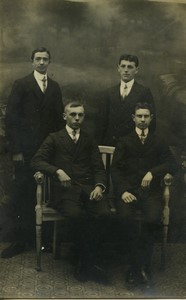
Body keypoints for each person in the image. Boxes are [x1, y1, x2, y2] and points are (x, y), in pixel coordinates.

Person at [31, 100, 110, 284]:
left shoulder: (89, 139)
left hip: (89, 189)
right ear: (64, 116)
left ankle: (85, 262)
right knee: (77, 216)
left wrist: (99, 186)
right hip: (65, 192)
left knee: (103, 213)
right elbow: (36, 161)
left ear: (83, 117)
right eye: (72, 114)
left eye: (80, 115)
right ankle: (87, 264)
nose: (76, 118)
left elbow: (99, 168)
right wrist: (57, 171)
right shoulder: (54, 138)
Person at [2, 47, 65, 258]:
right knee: (23, 194)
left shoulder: (54, 87)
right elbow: (11, 119)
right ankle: (20, 241)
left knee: (48, 194)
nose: (41, 62)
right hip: (26, 151)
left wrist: (58, 149)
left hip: (48, 151)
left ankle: (45, 241)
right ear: (32, 62)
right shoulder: (22, 84)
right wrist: (17, 150)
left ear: (49, 62)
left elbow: (58, 121)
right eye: (37, 59)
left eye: (45, 59)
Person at [111, 102, 178, 287]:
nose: (142, 120)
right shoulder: (124, 141)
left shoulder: (159, 141)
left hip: (150, 194)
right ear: (133, 118)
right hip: (128, 193)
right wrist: (123, 191)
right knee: (126, 219)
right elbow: (115, 170)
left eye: (146, 116)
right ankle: (135, 267)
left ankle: (140, 266)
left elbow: (173, 164)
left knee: (151, 220)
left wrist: (152, 172)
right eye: (139, 116)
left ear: (151, 118)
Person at [96, 54, 156, 146]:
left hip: (133, 145)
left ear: (136, 70)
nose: (126, 70)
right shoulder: (109, 92)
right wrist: (100, 144)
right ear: (118, 68)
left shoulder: (144, 92)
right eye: (123, 66)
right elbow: (101, 122)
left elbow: (151, 122)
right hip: (111, 143)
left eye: (130, 67)